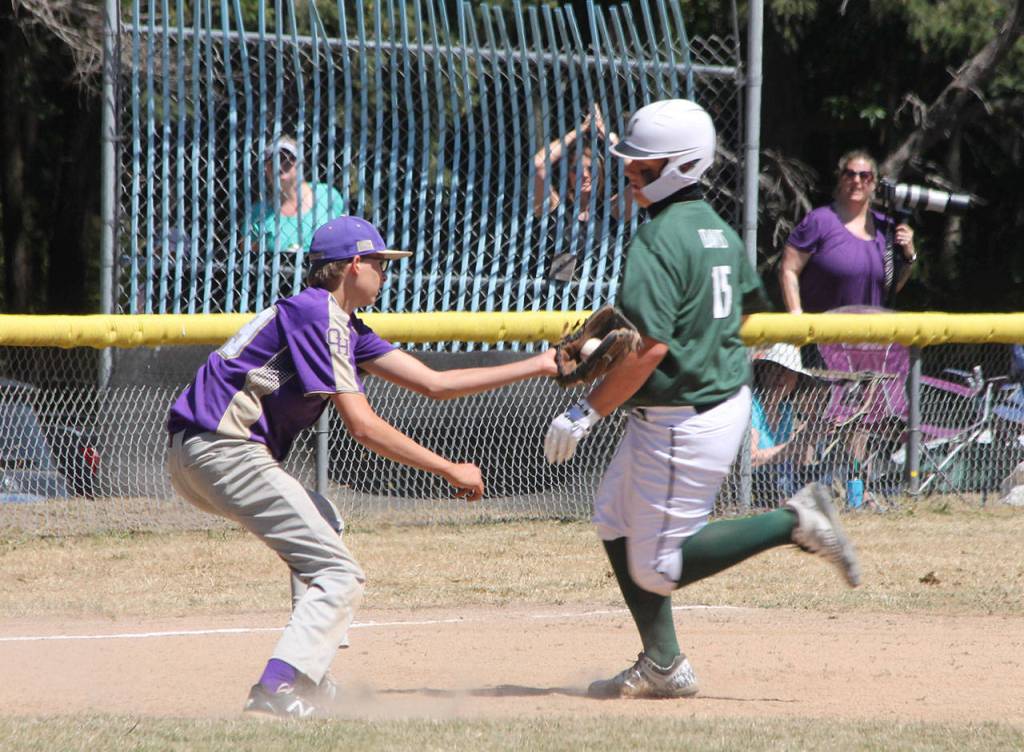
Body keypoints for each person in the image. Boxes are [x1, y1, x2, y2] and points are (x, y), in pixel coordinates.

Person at [167, 215, 557, 718]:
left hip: (200, 451)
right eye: (378, 263)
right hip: (223, 448)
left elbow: (434, 384)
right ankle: (275, 690)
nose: (384, 273)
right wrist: (447, 468)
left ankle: (309, 673)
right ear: (353, 265)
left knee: (324, 523)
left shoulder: (343, 326)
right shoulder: (317, 314)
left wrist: (541, 364)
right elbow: (363, 426)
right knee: (339, 571)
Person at [543, 98, 861, 700]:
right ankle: (663, 664)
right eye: (632, 166)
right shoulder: (716, 229)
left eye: (643, 167)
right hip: (705, 402)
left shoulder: (658, 238)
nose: (631, 174)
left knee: (658, 567)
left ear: (680, 166)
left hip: (682, 418)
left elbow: (650, 348)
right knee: (612, 516)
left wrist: (586, 410)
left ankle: (793, 521)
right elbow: (742, 310)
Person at [779, 150, 916, 316]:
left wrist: (909, 256)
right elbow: (789, 269)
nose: (857, 181)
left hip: (871, 336)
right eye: (849, 174)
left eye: (865, 176)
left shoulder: (885, 227)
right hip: (823, 336)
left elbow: (889, 287)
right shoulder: (820, 221)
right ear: (840, 179)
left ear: (874, 183)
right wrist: (796, 315)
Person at [531, 104, 633, 282]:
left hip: (603, 298)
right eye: (575, 169)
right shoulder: (556, 210)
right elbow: (539, 165)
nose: (583, 175)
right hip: (559, 302)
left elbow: (639, 175)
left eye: (591, 168)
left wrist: (608, 136)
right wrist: (580, 130)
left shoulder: (612, 210)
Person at [250, 135, 345, 300]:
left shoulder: (327, 196)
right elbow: (251, 252)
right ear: (266, 168)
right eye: (274, 161)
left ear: (300, 163)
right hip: (276, 289)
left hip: (322, 282)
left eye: (287, 160)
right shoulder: (259, 213)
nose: (281, 166)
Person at [750, 343, 816, 503]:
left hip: (778, 493)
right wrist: (792, 447)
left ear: (796, 380)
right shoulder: (752, 405)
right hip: (752, 491)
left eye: (788, 372)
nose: (781, 377)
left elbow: (795, 461)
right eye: (775, 369)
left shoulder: (786, 409)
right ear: (762, 371)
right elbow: (751, 459)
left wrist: (808, 438)